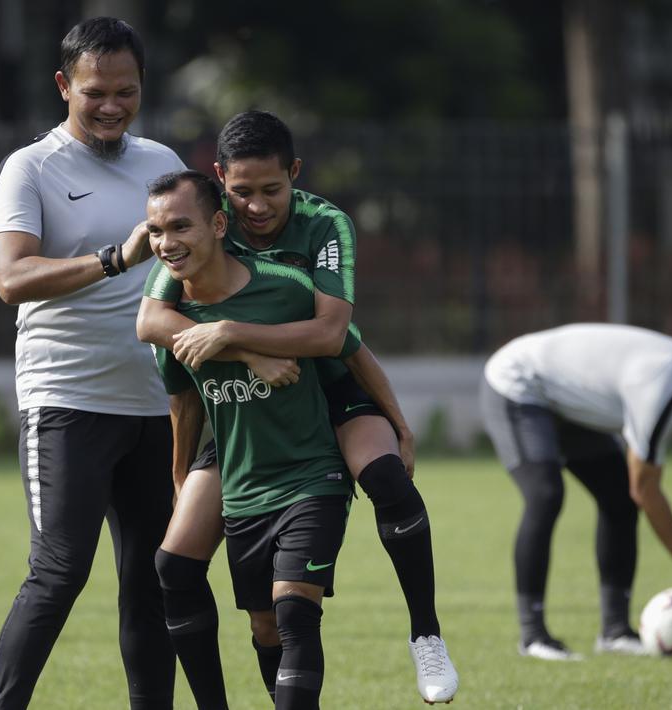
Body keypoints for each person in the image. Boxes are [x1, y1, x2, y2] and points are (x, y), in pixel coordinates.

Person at [138, 111, 458, 705]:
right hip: (245, 405)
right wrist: (240, 355)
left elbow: (335, 336)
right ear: (220, 183)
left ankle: (426, 634)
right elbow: (151, 322)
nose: (256, 207)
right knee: (179, 570)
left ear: (296, 174)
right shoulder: (201, 225)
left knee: (387, 476)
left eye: (272, 190)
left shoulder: (324, 223)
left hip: (330, 384)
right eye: (242, 192)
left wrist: (233, 333)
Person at [0, 18, 185, 709]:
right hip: (66, 401)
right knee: (59, 572)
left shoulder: (161, 162)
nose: (111, 106)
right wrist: (111, 259)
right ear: (65, 85)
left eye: (125, 92)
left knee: (154, 578)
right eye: (95, 91)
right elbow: (10, 277)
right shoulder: (30, 167)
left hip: (156, 404)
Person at [145, 169, 358, 710]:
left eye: (181, 227)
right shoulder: (175, 319)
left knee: (292, 614)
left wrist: (398, 423)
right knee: (262, 625)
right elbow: (183, 400)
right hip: (243, 482)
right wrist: (178, 476)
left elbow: (348, 345)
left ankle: (427, 633)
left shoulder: (285, 284)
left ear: (219, 224)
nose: (167, 243)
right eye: (155, 231)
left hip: (312, 472)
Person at [479, 323, 672, 661]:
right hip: (518, 384)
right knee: (546, 494)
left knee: (618, 498)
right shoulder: (662, 388)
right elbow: (646, 489)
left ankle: (615, 631)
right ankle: (533, 636)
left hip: (563, 399)